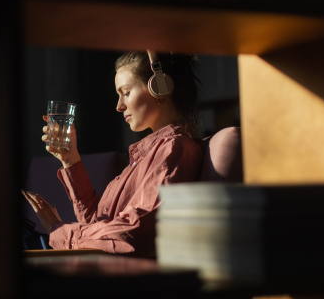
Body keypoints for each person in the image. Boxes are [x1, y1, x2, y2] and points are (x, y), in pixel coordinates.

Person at [22, 50, 203, 255]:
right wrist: (70, 159)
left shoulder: (173, 149)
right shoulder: (148, 154)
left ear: (160, 87)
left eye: (125, 92)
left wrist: (58, 231)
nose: (119, 106)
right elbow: (101, 225)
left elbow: (129, 234)